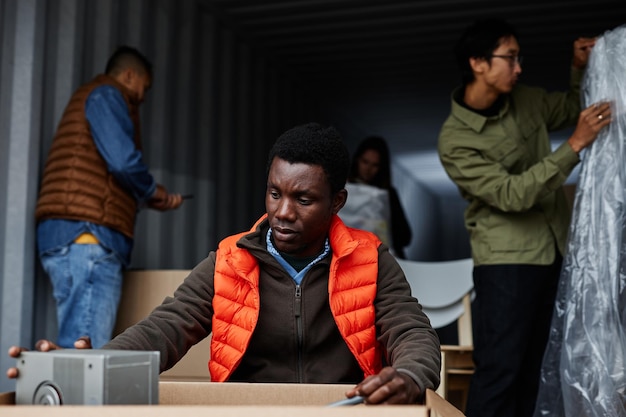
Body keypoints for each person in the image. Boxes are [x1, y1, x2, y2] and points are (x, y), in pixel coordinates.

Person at [9, 123, 441, 404]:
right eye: (275, 193)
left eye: (303, 199)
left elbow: (411, 330)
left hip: (342, 410)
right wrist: (93, 364)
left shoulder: (370, 259)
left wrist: (408, 375)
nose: (283, 212)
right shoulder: (231, 260)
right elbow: (165, 328)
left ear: (337, 202)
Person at [437, 18, 610, 417]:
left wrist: (579, 67)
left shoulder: (527, 99)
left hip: (554, 251)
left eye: (519, 58)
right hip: (506, 263)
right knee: (501, 371)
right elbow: (512, 195)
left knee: (538, 370)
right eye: (510, 58)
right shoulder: (455, 140)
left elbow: (571, 109)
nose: (519, 67)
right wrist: (575, 145)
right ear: (478, 63)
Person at [34, 46, 184, 349]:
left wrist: (145, 198)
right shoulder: (107, 95)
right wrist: (153, 191)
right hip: (88, 237)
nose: (143, 96)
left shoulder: (96, 96)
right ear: (129, 75)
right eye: (145, 86)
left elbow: (106, 173)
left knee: (75, 344)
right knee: (86, 350)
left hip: (74, 237)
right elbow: (123, 162)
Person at [346, 136, 412, 259]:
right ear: (357, 160)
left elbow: (404, 236)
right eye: (365, 162)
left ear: (381, 168)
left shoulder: (388, 195)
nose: (368, 169)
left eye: (375, 165)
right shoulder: (342, 189)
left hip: (380, 258)